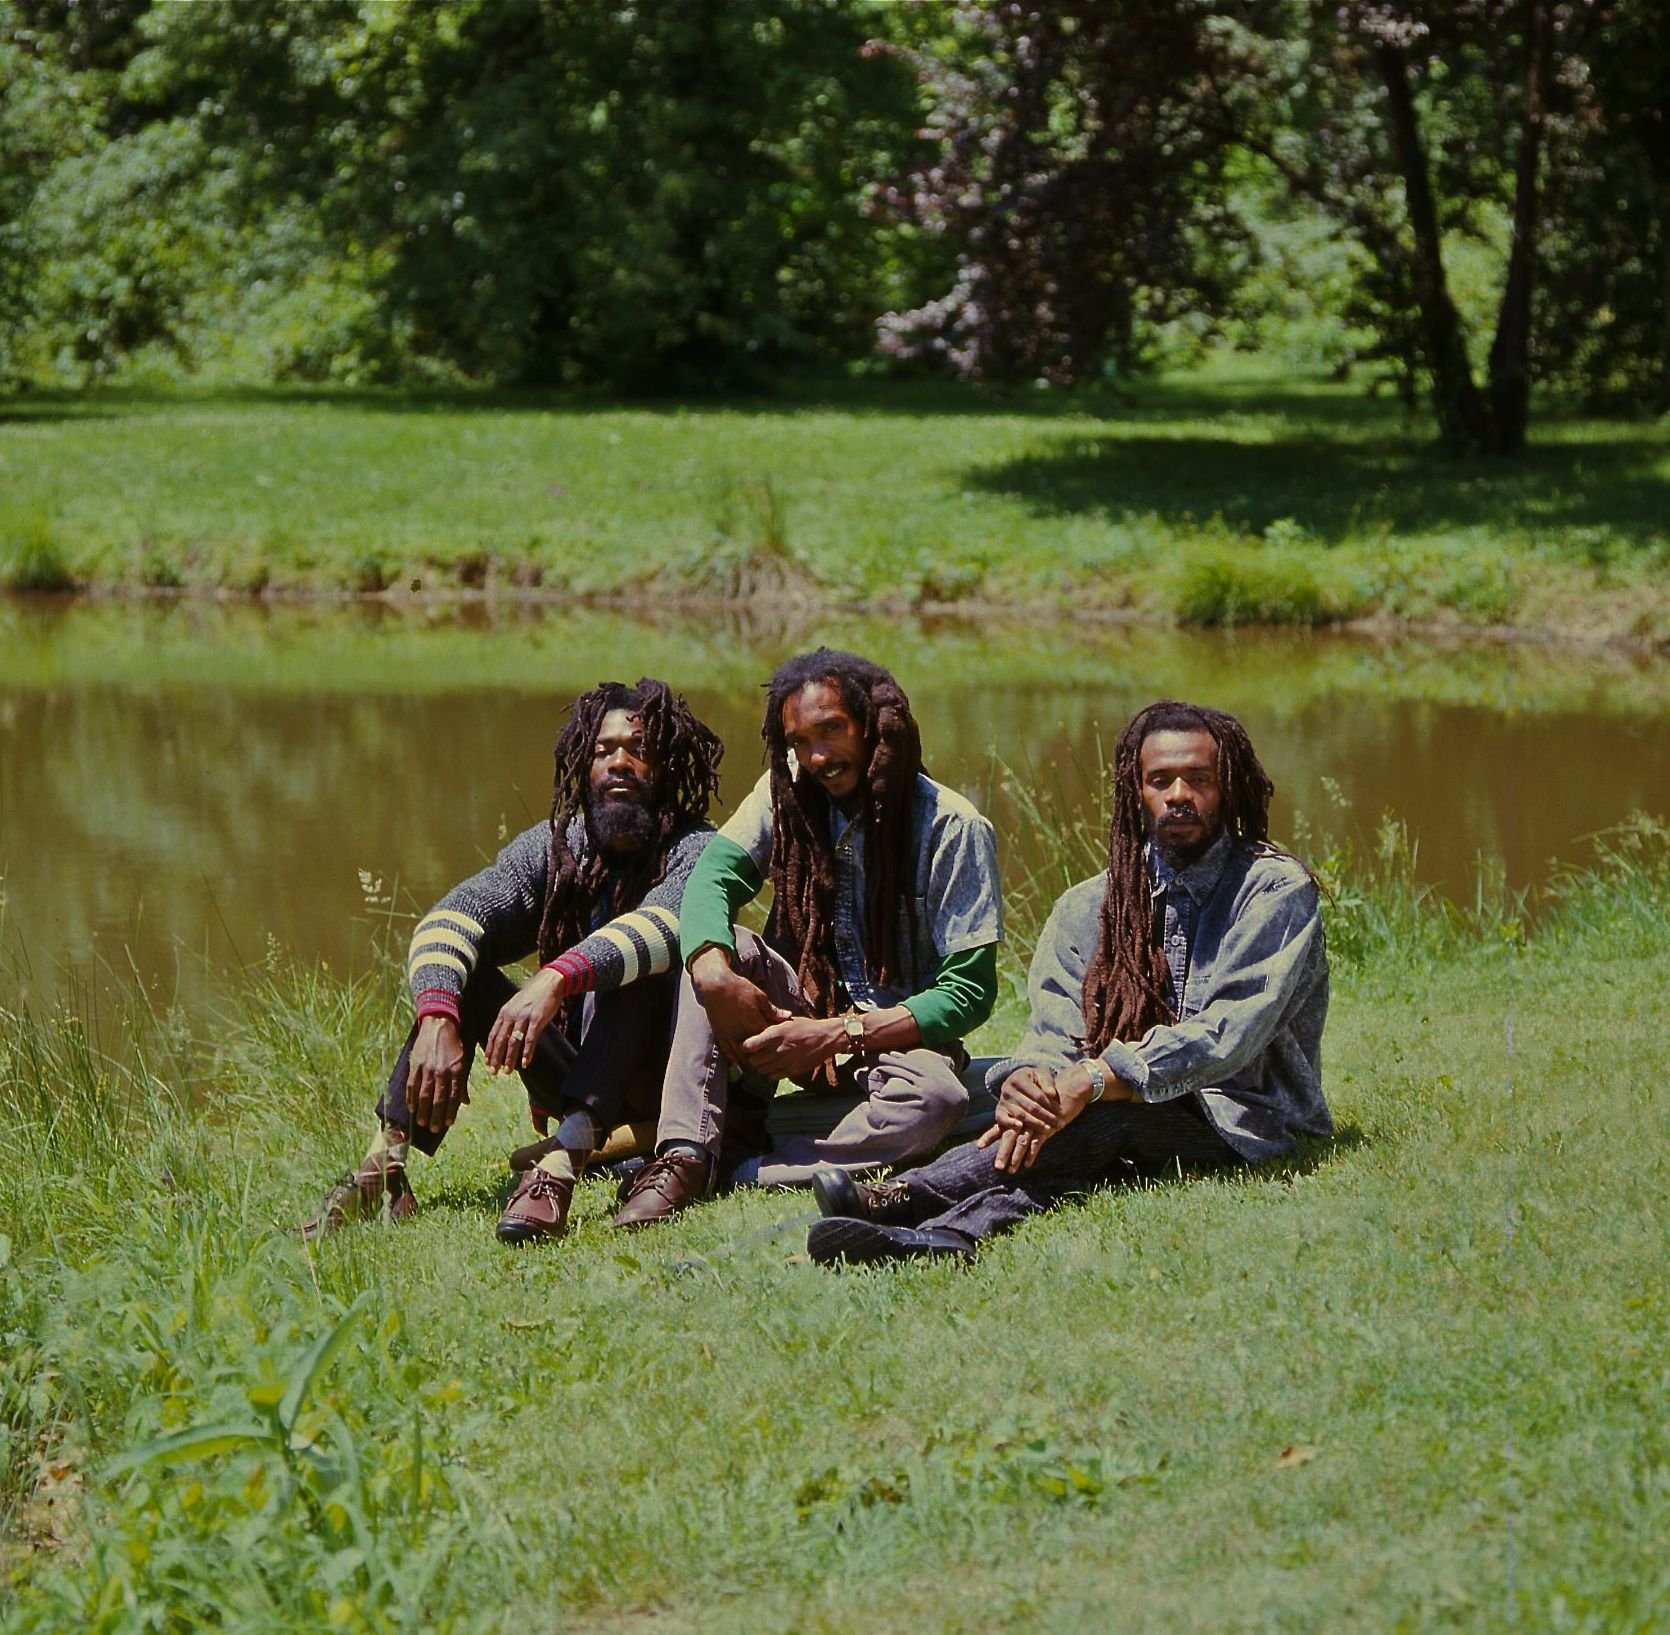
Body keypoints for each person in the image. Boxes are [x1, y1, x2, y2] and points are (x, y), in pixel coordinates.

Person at [806, 699, 1331, 1265]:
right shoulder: (1087, 905)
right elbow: (1054, 1030)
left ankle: (901, 1197)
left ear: (1226, 786)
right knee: (1070, 1135)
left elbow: (1228, 1033)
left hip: (1247, 1117)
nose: (1179, 794)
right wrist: (1030, 1082)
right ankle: (942, 1237)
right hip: (1120, 1114)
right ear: (1136, 791)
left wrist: (1095, 1078)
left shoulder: (1273, 890)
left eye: (1199, 778)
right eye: (1161, 780)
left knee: (1102, 1115)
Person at [298, 679, 724, 1246]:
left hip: (662, 1084)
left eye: (638, 749)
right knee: (463, 977)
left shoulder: (700, 848)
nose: (619, 763)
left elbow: (663, 927)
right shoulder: (558, 846)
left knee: (636, 967)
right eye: (603, 750)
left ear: (665, 765)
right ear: (584, 764)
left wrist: (555, 977)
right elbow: (454, 915)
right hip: (576, 1074)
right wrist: (438, 1016)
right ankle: (385, 1168)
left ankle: (561, 1166)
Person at [609, 648, 1004, 1227]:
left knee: (940, 1099)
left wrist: (838, 1033)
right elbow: (713, 877)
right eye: (799, 741)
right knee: (725, 949)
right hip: (790, 1016)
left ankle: (748, 1163)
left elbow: (969, 992)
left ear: (873, 725)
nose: (817, 757)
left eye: (831, 730)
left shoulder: (952, 825)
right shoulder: (785, 792)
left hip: (895, 1042)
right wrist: (712, 970)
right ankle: (685, 1156)